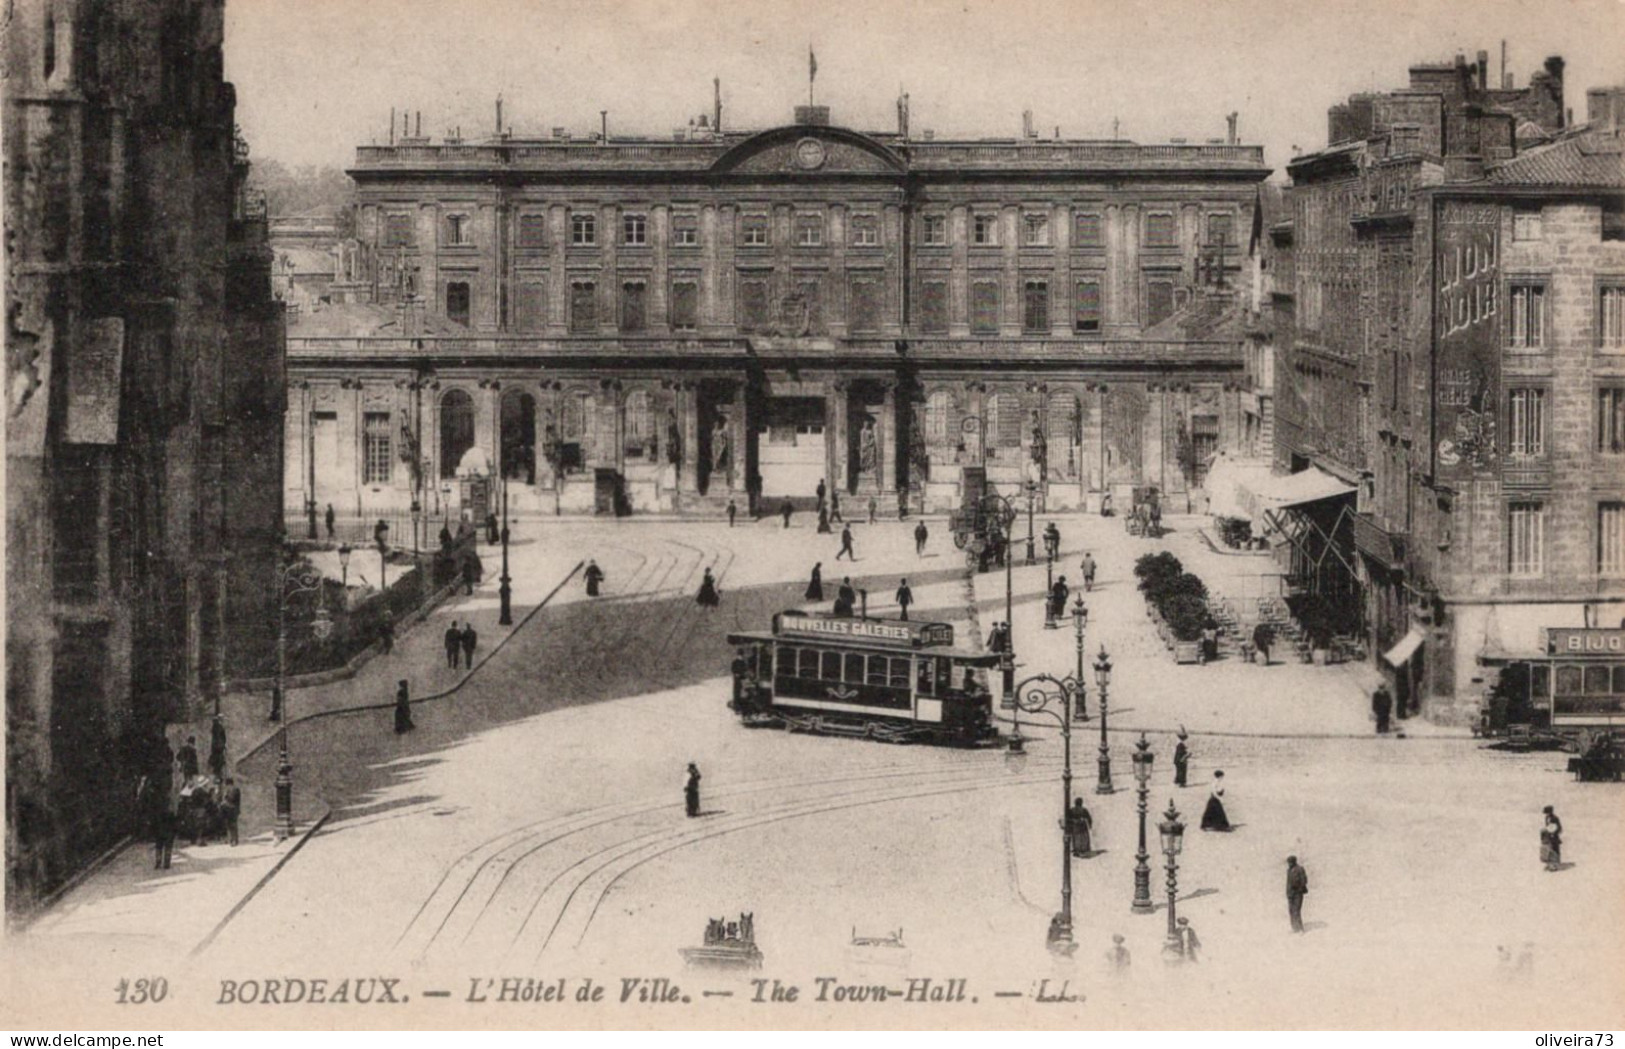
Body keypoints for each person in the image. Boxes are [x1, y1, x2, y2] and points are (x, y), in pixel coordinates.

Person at [1286, 855, 1309, 932]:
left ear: (1294, 862)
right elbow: (1288, 883)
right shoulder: (1289, 870)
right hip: (1290, 894)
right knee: (1291, 911)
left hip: (1297, 894)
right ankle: (1294, 928)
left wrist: (1299, 889)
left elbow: (1304, 880)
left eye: (1290, 862)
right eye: (1288, 863)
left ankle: (1300, 929)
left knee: (1296, 911)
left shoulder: (1300, 869)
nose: (1289, 864)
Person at [220, 777, 241, 846]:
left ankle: (234, 840)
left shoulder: (233, 790)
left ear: (229, 784)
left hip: (231, 809)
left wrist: (225, 800)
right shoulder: (235, 789)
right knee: (232, 825)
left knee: (232, 825)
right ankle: (233, 839)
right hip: (233, 809)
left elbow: (231, 799)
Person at [1541, 806, 1563, 871]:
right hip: (1549, 836)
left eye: (1547, 813)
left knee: (1555, 850)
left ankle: (1555, 865)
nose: (1546, 814)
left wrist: (1554, 833)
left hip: (1554, 836)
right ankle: (1549, 864)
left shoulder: (1555, 818)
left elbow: (1559, 828)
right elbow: (1548, 826)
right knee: (1548, 850)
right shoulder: (1547, 818)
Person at [208, 716, 227, 783]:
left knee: (217, 764)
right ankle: (218, 777)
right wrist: (223, 745)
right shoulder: (220, 728)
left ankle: (217, 777)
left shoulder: (214, 729)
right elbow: (223, 738)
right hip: (219, 748)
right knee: (219, 763)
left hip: (216, 748)